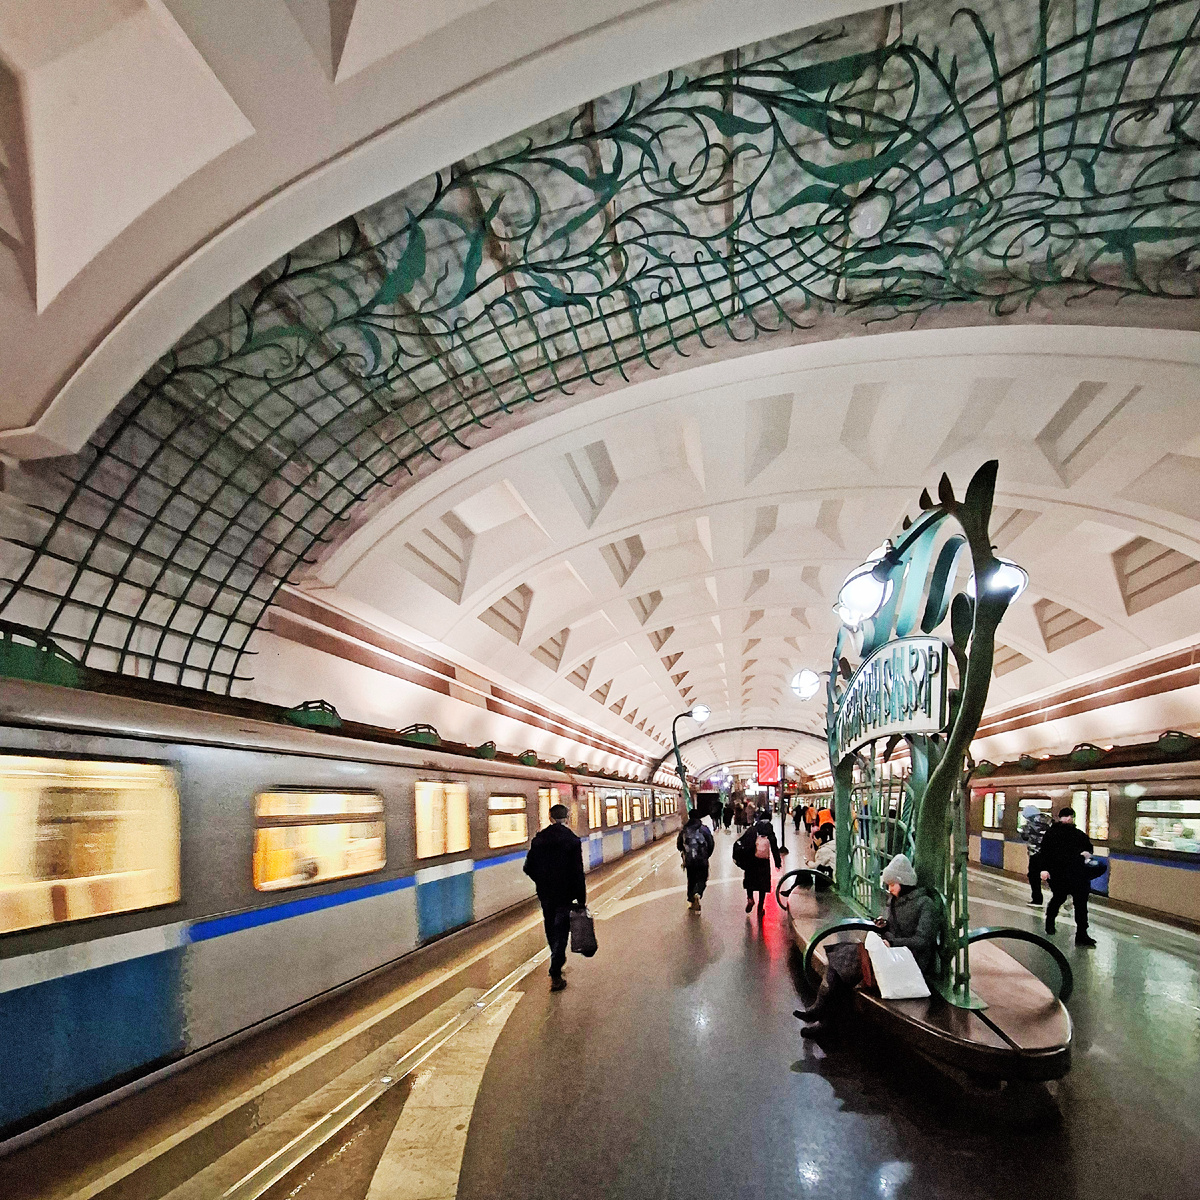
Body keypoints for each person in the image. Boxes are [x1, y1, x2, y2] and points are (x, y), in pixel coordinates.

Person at [794, 854, 938, 1037]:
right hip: (890, 953)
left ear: (904, 882)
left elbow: (923, 941)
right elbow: (894, 927)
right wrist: (884, 925)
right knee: (841, 959)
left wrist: (892, 941)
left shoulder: (925, 904)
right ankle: (822, 1015)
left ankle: (823, 1017)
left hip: (909, 962)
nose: (890, 888)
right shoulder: (895, 900)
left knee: (845, 965)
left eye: (892, 884)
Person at [523, 803, 587, 990]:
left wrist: (542, 881)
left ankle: (556, 958)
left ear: (550, 818)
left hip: (546, 894)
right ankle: (556, 970)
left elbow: (528, 867)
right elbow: (577, 872)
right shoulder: (572, 840)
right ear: (567, 818)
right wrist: (581, 898)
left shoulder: (539, 840)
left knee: (551, 928)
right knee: (561, 930)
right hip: (565, 895)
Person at [1039, 807, 1099, 948]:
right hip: (1060, 873)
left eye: (1069, 816)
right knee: (1059, 898)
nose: (1068, 819)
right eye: (1066, 816)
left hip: (1077, 874)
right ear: (1060, 817)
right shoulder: (1053, 833)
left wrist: (1086, 854)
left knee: (1080, 904)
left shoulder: (1078, 834)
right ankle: (1050, 922)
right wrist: (1044, 869)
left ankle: (1082, 933)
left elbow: (1088, 850)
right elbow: (1045, 853)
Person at [735, 810, 781, 916]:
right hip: (764, 862)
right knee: (763, 885)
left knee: (750, 881)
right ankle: (760, 907)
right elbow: (775, 849)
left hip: (751, 861)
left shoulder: (752, 830)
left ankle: (750, 898)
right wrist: (777, 863)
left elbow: (742, 843)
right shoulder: (770, 833)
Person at [677, 807, 716, 912]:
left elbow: (679, 845)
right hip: (702, 860)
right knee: (702, 879)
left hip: (690, 861)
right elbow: (711, 843)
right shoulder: (704, 829)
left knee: (691, 879)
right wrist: (706, 855)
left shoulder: (685, 829)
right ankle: (698, 893)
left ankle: (691, 899)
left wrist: (686, 853)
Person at [1019, 804, 1054, 906]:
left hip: (1036, 853)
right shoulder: (1050, 821)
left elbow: (1025, 837)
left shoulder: (1029, 825)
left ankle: (1037, 900)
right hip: (1049, 853)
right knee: (1050, 875)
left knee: (1033, 876)